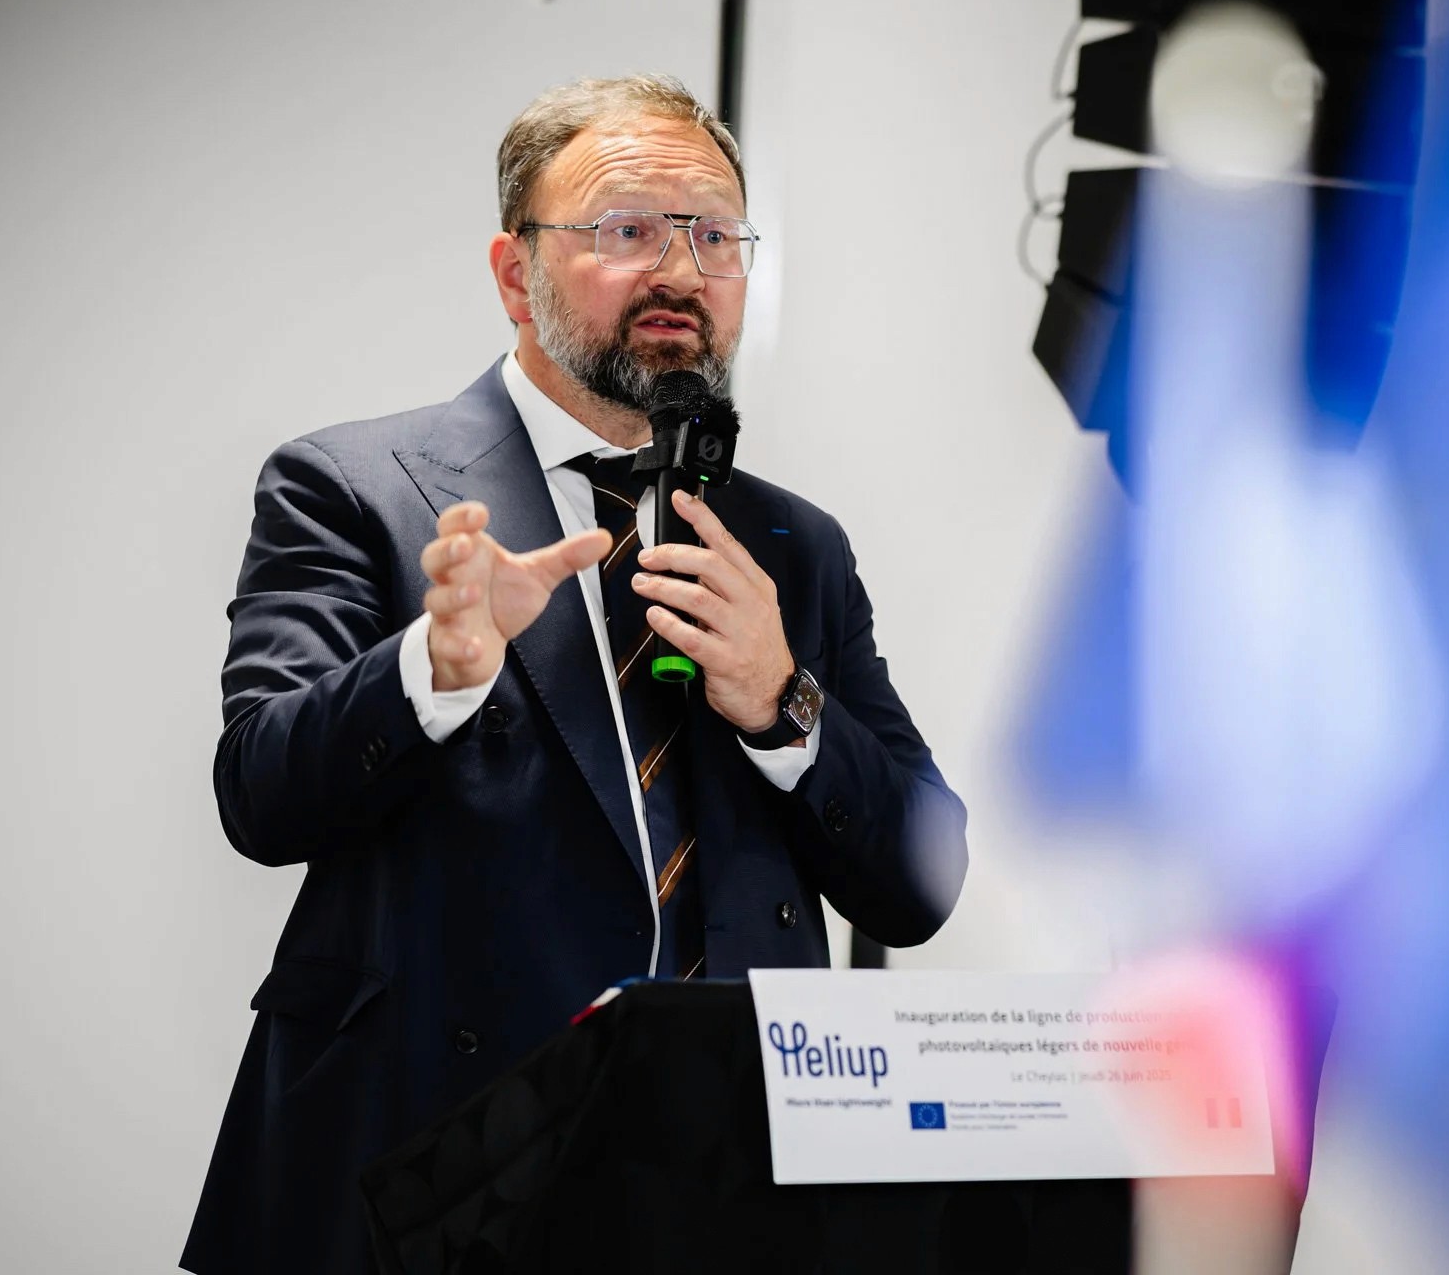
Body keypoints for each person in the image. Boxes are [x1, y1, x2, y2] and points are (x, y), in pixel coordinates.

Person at [180, 75, 968, 1275]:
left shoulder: (793, 544)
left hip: (731, 1198)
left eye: (714, 234)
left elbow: (923, 876)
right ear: (515, 273)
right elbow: (260, 794)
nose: (680, 269)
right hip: (429, 1182)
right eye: (626, 229)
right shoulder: (357, 487)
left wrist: (784, 702)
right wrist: (427, 672)